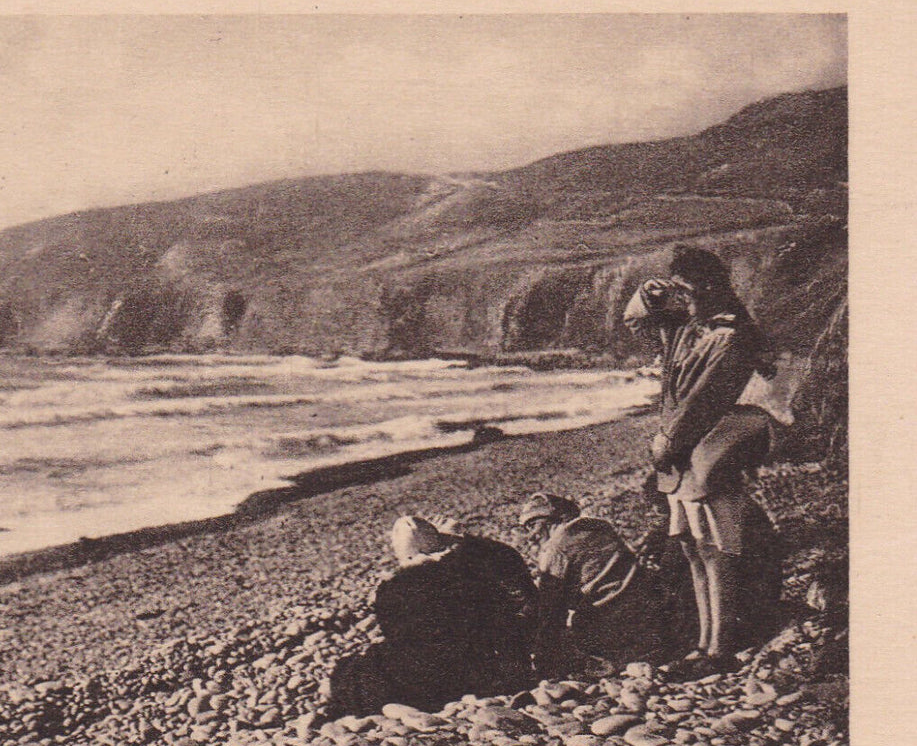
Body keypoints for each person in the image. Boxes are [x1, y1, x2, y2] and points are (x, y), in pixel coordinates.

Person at [623, 244, 778, 673]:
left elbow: (703, 401)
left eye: (686, 291)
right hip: (685, 460)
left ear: (710, 289)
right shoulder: (690, 326)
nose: (682, 300)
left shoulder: (731, 337)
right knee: (693, 548)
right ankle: (705, 642)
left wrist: (665, 442)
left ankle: (720, 648)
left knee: (717, 551)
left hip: (711, 456)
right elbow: (635, 320)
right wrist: (647, 294)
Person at [321, 516, 534, 718]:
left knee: (359, 670)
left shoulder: (392, 589)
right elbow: (499, 623)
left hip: (424, 676)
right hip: (477, 668)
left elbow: (394, 637)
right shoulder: (469, 578)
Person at [518, 492, 686, 679]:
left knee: (570, 631)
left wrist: (543, 659)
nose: (530, 535)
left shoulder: (557, 548)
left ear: (551, 519)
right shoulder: (600, 527)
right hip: (655, 614)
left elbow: (551, 611)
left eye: (533, 525)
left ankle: (608, 662)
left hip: (611, 626)